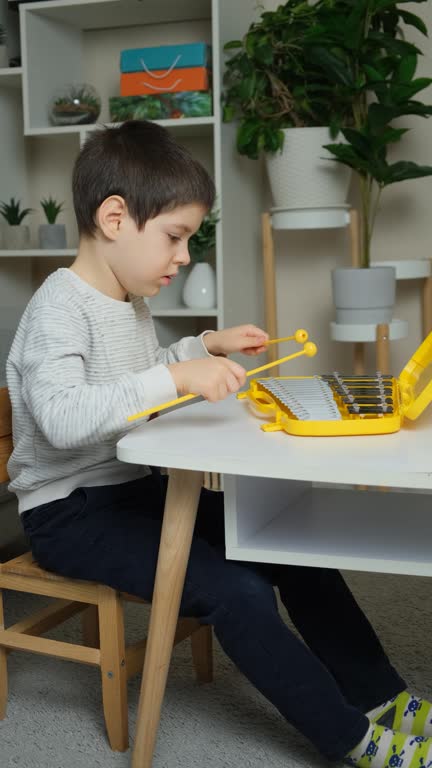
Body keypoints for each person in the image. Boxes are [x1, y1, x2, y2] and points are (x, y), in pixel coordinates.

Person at [6, 119, 432, 768]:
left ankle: (383, 697)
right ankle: (352, 739)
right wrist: (176, 374)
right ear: (115, 218)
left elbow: (129, 383)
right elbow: (65, 416)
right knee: (237, 592)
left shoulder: (126, 301)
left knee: (291, 545)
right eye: (175, 237)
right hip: (68, 513)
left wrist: (201, 348)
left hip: (132, 490)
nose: (182, 257)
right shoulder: (58, 308)